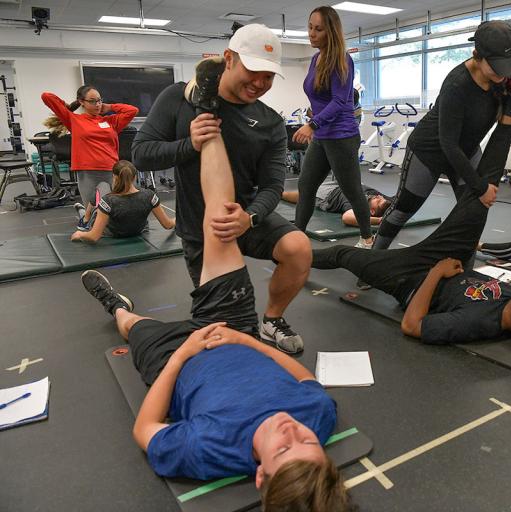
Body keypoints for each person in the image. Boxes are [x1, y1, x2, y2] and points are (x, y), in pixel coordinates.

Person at [80, 118, 351, 511]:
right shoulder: (317, 416)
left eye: (283, 448)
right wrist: (246, 339)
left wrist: (183, 355)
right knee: (221, 220)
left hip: (175, 359)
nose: (294, 431)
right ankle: (208, 112)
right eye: (308, 443)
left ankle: (115, 303)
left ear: (260, 475)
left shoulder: (206, 451)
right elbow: (307, 380)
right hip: (234, 330)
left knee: (130, 325)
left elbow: (146, 430)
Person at [312, 125, 511, 353]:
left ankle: (287, 254)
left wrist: (435, 274)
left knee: (342, 255)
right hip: (450, 260)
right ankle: (510, 113)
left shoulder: (476, 323)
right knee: (479, 199)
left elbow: (412, 325)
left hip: (408, 278)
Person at [132, 24, 311, 354]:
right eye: (253, 71)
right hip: (203, 226)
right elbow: (141, 155)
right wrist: (189, 144)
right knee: (224, 329)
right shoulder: (178, 97)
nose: (260, 83)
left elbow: (273, 185)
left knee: (299, 248)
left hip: (245, 216)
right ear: (229, 59)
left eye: (268, 77)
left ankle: (272, 320)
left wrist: (251, 216)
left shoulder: (270, 121)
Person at [371, 20, 511, 251]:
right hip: (430, 152)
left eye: (507, 66)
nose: (503, 73)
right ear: (477, 55)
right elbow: (448, 143)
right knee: (403, 210)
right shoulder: (457, 85)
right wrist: (480, 187)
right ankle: (373, 256)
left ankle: (464, 268)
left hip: (467, 150)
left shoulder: (502, 78)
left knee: (472, 212)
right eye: (496, 66)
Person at [292, 6, 372, 248]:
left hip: (341, 136)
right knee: (306, 186)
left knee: (351, 190)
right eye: (310, 27)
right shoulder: (316, 59)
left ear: (331, 32)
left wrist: (313, 123)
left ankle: (367, 238)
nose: (311, 34)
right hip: (323, 135)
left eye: (318, 29)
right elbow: (321, 97)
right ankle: (297, 240)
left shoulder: (341, 59)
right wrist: (313, 113)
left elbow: (340, 101)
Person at [41, 87, 138, 228]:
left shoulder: (111, 121)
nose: (97, 104)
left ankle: (83, 211)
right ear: (82, 102)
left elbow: (132, 110)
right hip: (88, 173)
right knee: (95, 220)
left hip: (113, 172)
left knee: (115, 213)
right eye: (92, 101)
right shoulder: (73, 119)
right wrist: (68, 106)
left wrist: (110, 107)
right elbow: (46, 96)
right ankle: (84, 214)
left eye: (99, 100)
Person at [70, 160, 175, 243]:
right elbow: (168, 224)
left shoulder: (108, 200)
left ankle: (85, 219)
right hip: (137, 232)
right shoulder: (149, 196)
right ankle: (83, 213)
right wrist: (179, 218)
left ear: (114, 177)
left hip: (111, 234)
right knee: (105, 193)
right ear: (134, 178)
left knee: (102, 185)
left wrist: (80, 234)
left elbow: (93, 236)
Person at [281, 183, 391, 227]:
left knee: (300, 195)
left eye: (378, 201)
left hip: (326, 194)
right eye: (381, 198)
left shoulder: (357, 206)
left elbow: (347, 218)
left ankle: (277, 193)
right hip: (342, 182)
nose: (379, 197)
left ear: (371, 211)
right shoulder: (379, 197)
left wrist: (379, 220)